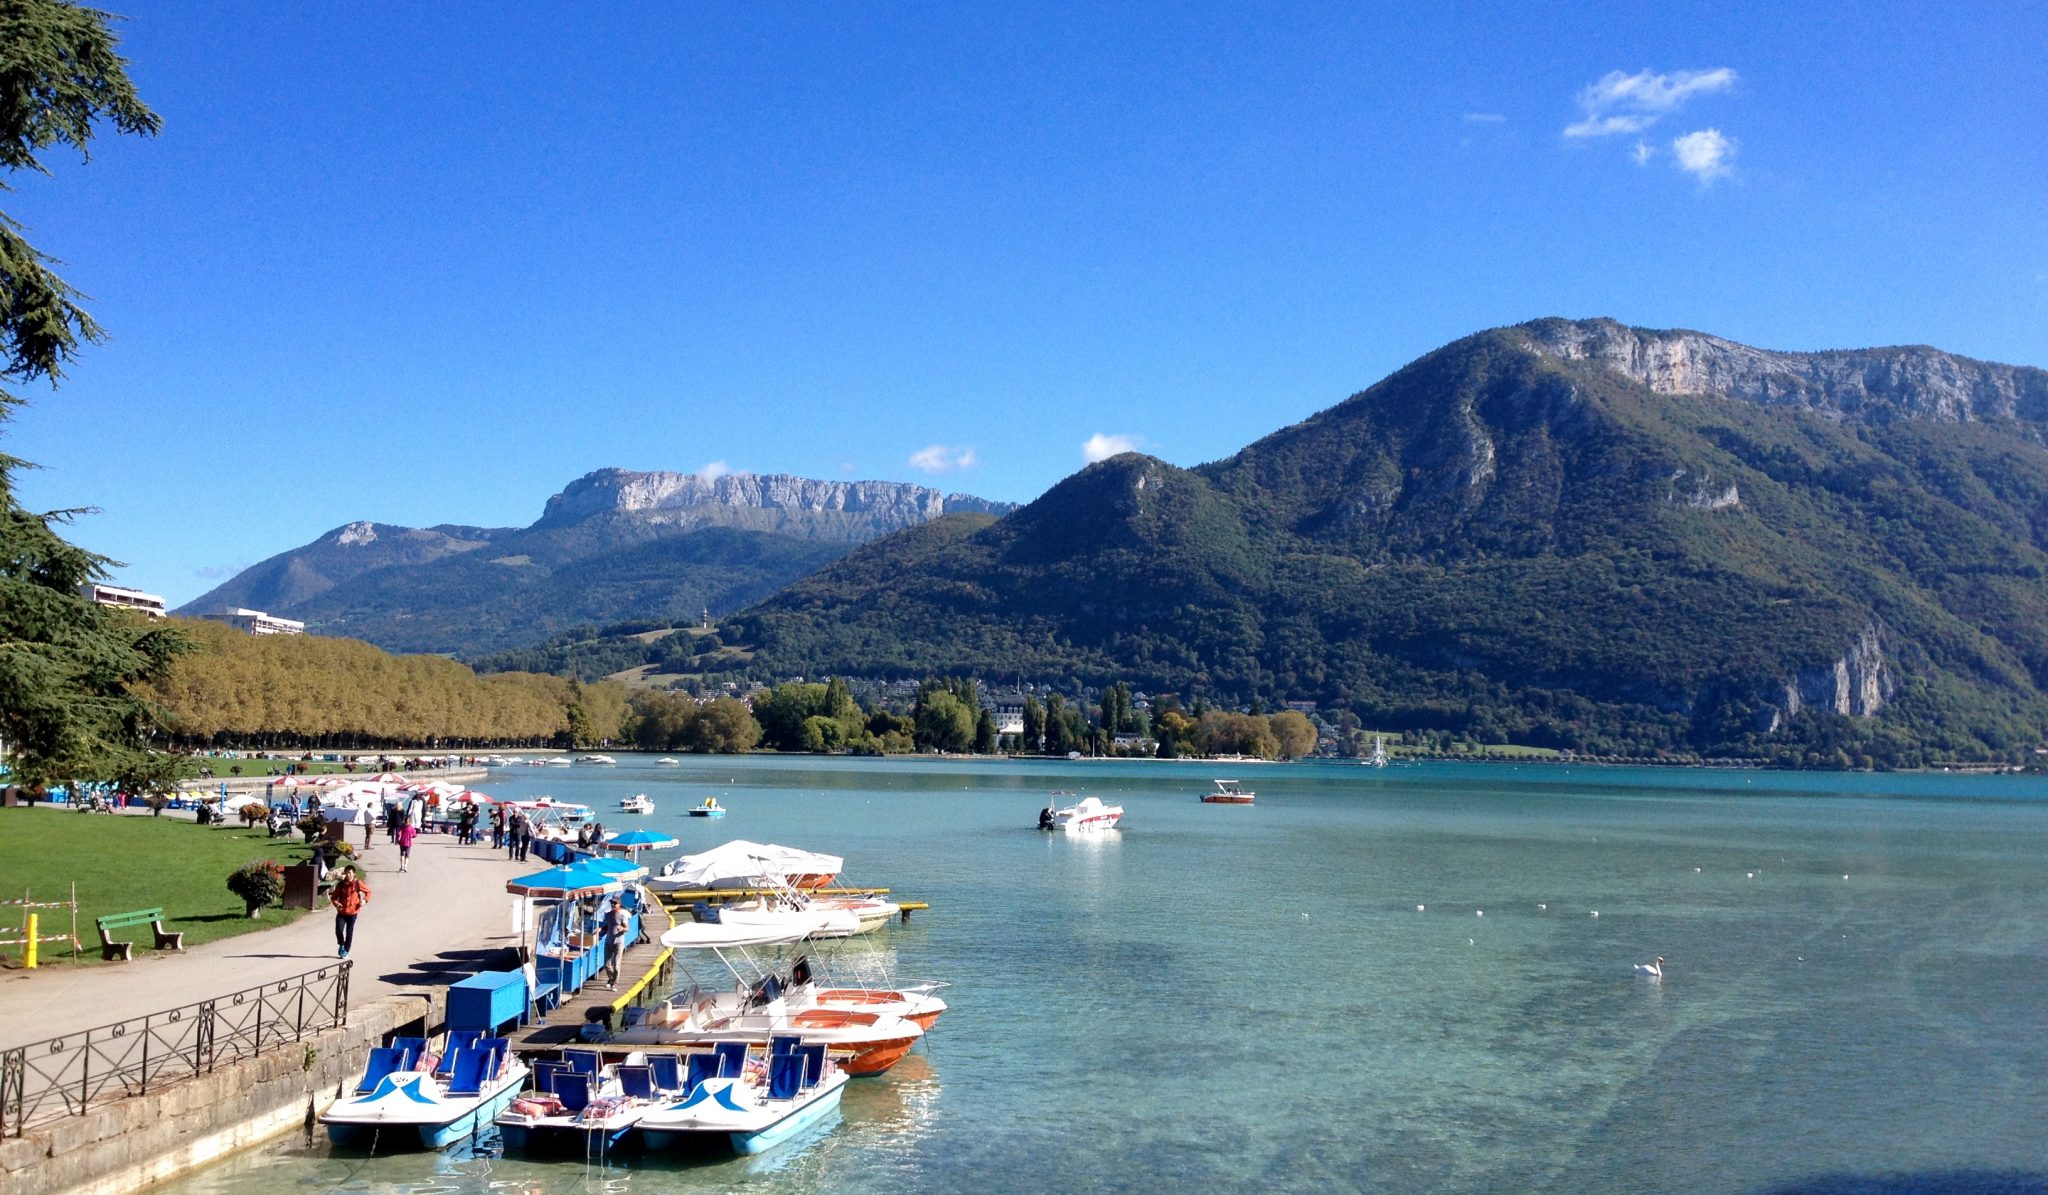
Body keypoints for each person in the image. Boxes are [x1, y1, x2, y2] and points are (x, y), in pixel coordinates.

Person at [331, 867, 370, 958]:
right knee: (339, 930)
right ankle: (341, 944)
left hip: (353, 913)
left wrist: (364, 900)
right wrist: (337, 904)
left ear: (354, 874)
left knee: (349, 932)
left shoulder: (357, 883)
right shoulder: (340, 885)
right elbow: (334, 897)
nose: (348, 875)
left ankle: (346, 950)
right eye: (346, 873)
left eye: (350, 873)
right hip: (342, 912)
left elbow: (368, 892)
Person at [601, 899, 631, 989]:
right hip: (608, 941)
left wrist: (622, 929)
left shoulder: (622, 915)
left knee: (616, 965)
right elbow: (608, 926)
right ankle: (611, 979)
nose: (613, 905)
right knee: (606, 964)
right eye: (612, 903)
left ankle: (614, 983)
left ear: (619, 904)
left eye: (615, 903)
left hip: (619, 942)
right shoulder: (608, 914)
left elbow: (627, 928)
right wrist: (600, 929)